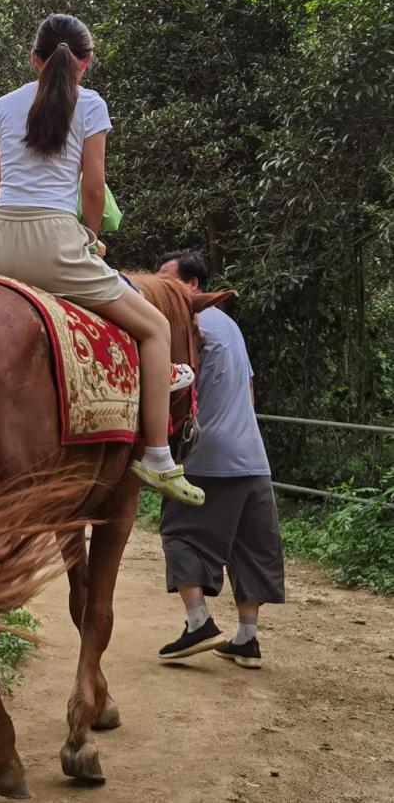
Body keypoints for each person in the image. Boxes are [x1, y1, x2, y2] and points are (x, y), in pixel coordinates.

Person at [0, 13, 203, 506]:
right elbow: (93, 188)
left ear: (33, 60)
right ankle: (158, 456)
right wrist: (90, 238)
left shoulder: (3, 106)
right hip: (55, 241)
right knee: (157, 327)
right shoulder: (90, 105)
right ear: (86, 63)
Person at [155, 250, 285, 668]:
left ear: (193, 286)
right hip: (253, 456)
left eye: (167, 280)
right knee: (250, 545)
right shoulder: (230, 325)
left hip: (207, 455)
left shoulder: (186, 324)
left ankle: (198, 623)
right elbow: (247, 391)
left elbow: (170, 387)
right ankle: (247, 638)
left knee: (179, 531)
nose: (160, 288)